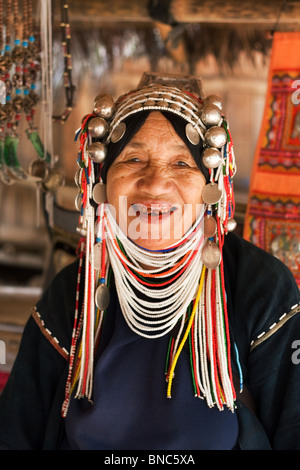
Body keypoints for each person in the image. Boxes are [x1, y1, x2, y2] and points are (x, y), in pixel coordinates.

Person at [0, 72, 299, 450]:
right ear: (103, 179)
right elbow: (15, 434)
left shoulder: (259, 287)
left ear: (209, 184)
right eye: (134, 158)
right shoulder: (73, 293)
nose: (156, 184)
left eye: (181, 164)